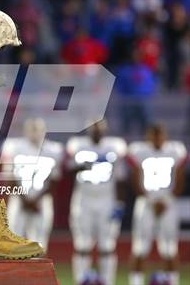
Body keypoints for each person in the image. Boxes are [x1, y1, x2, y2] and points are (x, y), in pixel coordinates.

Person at [67, 120, 127, 285]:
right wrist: (82, 166)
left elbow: (121, 179)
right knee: (82, 244)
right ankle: (81, 280)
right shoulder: (78, 146)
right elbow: (69, 171)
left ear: (105, 131)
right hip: (83, 200)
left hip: (107, 199)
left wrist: (120, 204)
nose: (96, 133)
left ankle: (107, 281)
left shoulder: (115, 146)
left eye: (99, 129)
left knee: (107, 245)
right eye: (93, 130)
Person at [128, 124, 187, 285]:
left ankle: (173, 282)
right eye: (154, 136)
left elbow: (180, 177)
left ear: (165, 136)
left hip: (168, 204)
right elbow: (135, 178)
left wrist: (166, 200)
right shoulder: (139, 151)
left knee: (170, 249)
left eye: (159, 135)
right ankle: (136, 282)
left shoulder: (175, 150)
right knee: (140, 247)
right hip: (146, 203)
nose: (157, 139)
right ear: (148, 137)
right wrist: (151, 201)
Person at [4, 118, 63, 253]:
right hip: (19, 200)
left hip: (42, 200)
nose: (35, 133)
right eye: (32, 129)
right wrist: (26, 200)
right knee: (14, 244)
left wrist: (36, 200)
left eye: (38, 130)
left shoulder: (54, 150)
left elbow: (54, 180)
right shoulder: (13, 147)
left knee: (39, 246)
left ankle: (36, 274)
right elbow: (9, 178)